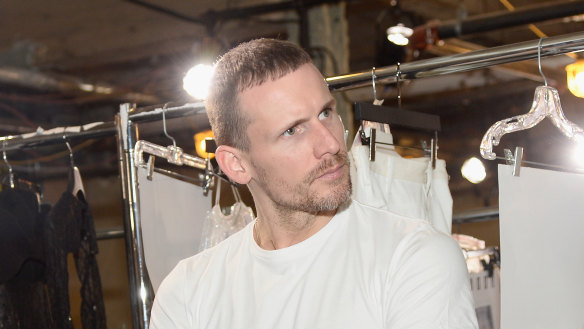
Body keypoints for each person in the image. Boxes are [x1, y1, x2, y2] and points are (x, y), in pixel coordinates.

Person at [150, 38, 478, 329]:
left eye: (325, 113)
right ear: (236, 164)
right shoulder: (188, 291)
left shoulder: (412, 258)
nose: (331, 143)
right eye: (292, 130)